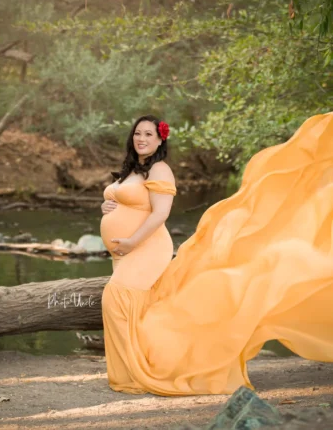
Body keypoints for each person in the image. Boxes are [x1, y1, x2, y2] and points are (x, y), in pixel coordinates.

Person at [100, 112, 333, 396]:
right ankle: (131, 371)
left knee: (115, 297)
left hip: (145, 247)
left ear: (160, 139)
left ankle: (143, 371)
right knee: (140, 307)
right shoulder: (133, 169)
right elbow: (131, 203)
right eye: (138, 133)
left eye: (149, 134)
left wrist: (132, 241)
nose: (141, 138)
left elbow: (161, 213)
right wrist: (108, 207)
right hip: (125, 249)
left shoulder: (160, 169)